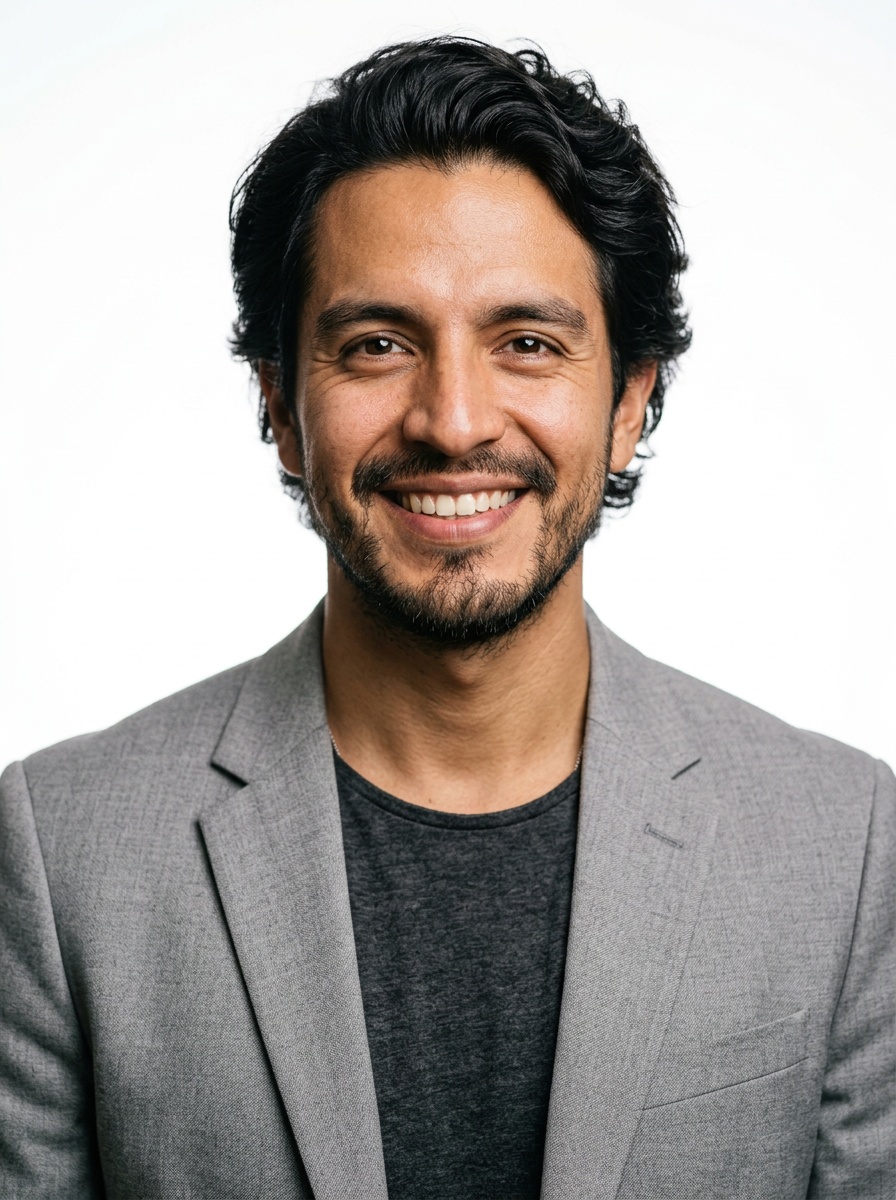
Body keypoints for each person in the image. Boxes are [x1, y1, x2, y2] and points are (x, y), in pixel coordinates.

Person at [0, 36, 892, 1200]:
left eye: (526, 343)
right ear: (279, 404)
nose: (454, 419)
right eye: (377, 345)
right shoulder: (60, 855)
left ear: (629, 401)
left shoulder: (846, 850)